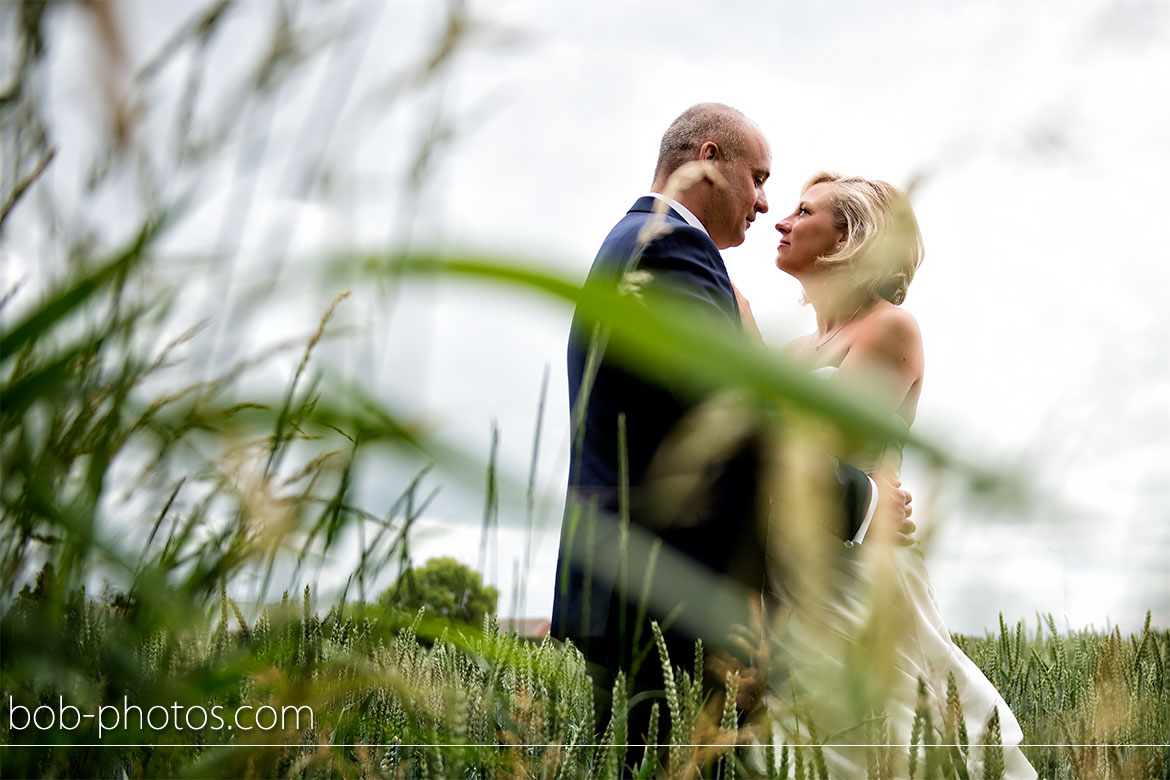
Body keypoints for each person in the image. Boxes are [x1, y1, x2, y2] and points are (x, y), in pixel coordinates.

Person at [550, 105, 914, 767]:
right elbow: (732, 419)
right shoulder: (669, 249)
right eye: (759, 178)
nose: (767, 203)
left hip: (656, 589)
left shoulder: (647, 244)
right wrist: (861, 500)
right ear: (710, 160)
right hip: (664, 592)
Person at [756, 171, 1037, 778]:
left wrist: (742, 345)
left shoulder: (889, 329)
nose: (781, 221)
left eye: (803, 212)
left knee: (879, 737)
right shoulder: (791, 354)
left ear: (850, 239)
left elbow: (815, 448)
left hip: (854, 573)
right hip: (790, 575)